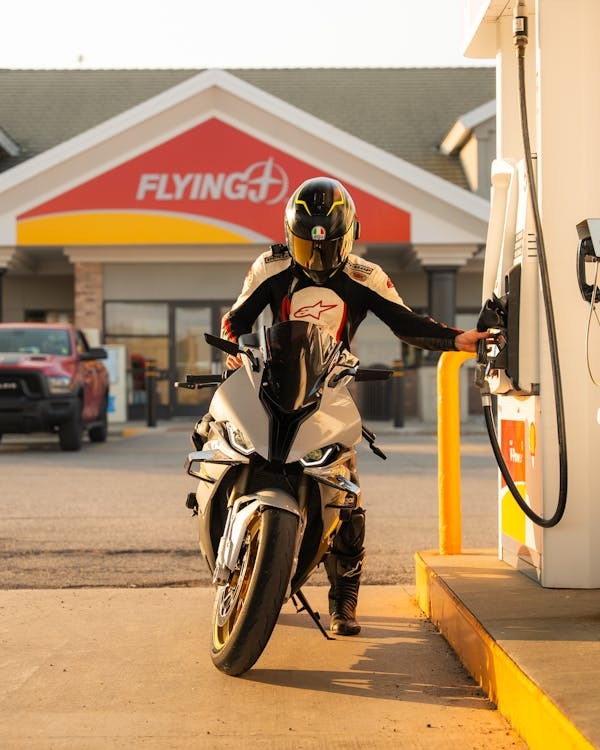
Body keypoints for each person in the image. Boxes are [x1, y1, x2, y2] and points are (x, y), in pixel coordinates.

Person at [215, 176, 488, 636]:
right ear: (289, 236)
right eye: (307, 247)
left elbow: (406, 324)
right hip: (272, 382)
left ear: (350, 236)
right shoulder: (271, 266)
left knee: (346, 495)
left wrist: (459, 340)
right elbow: (234, 320)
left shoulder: (365, 276)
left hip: (331, 390)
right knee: (227, 444)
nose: (317, 259)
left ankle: (344, 599)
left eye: (327, 248)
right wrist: (236, 352)